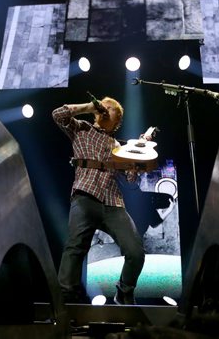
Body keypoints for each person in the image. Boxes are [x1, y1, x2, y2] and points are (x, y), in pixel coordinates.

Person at [52, 95, 145, 305]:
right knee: (75, 247)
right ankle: (66, 300)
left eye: (110, 108)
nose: (105, 109)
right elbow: (57, 115)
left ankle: (124, 291)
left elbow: (131, 182)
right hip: (85, 196)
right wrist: (87, 106)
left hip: (114, 204)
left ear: (117, 121)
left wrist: (137, 157)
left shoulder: (120, 147)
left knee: (135, 251)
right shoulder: (82, 129)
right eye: (103, 106)